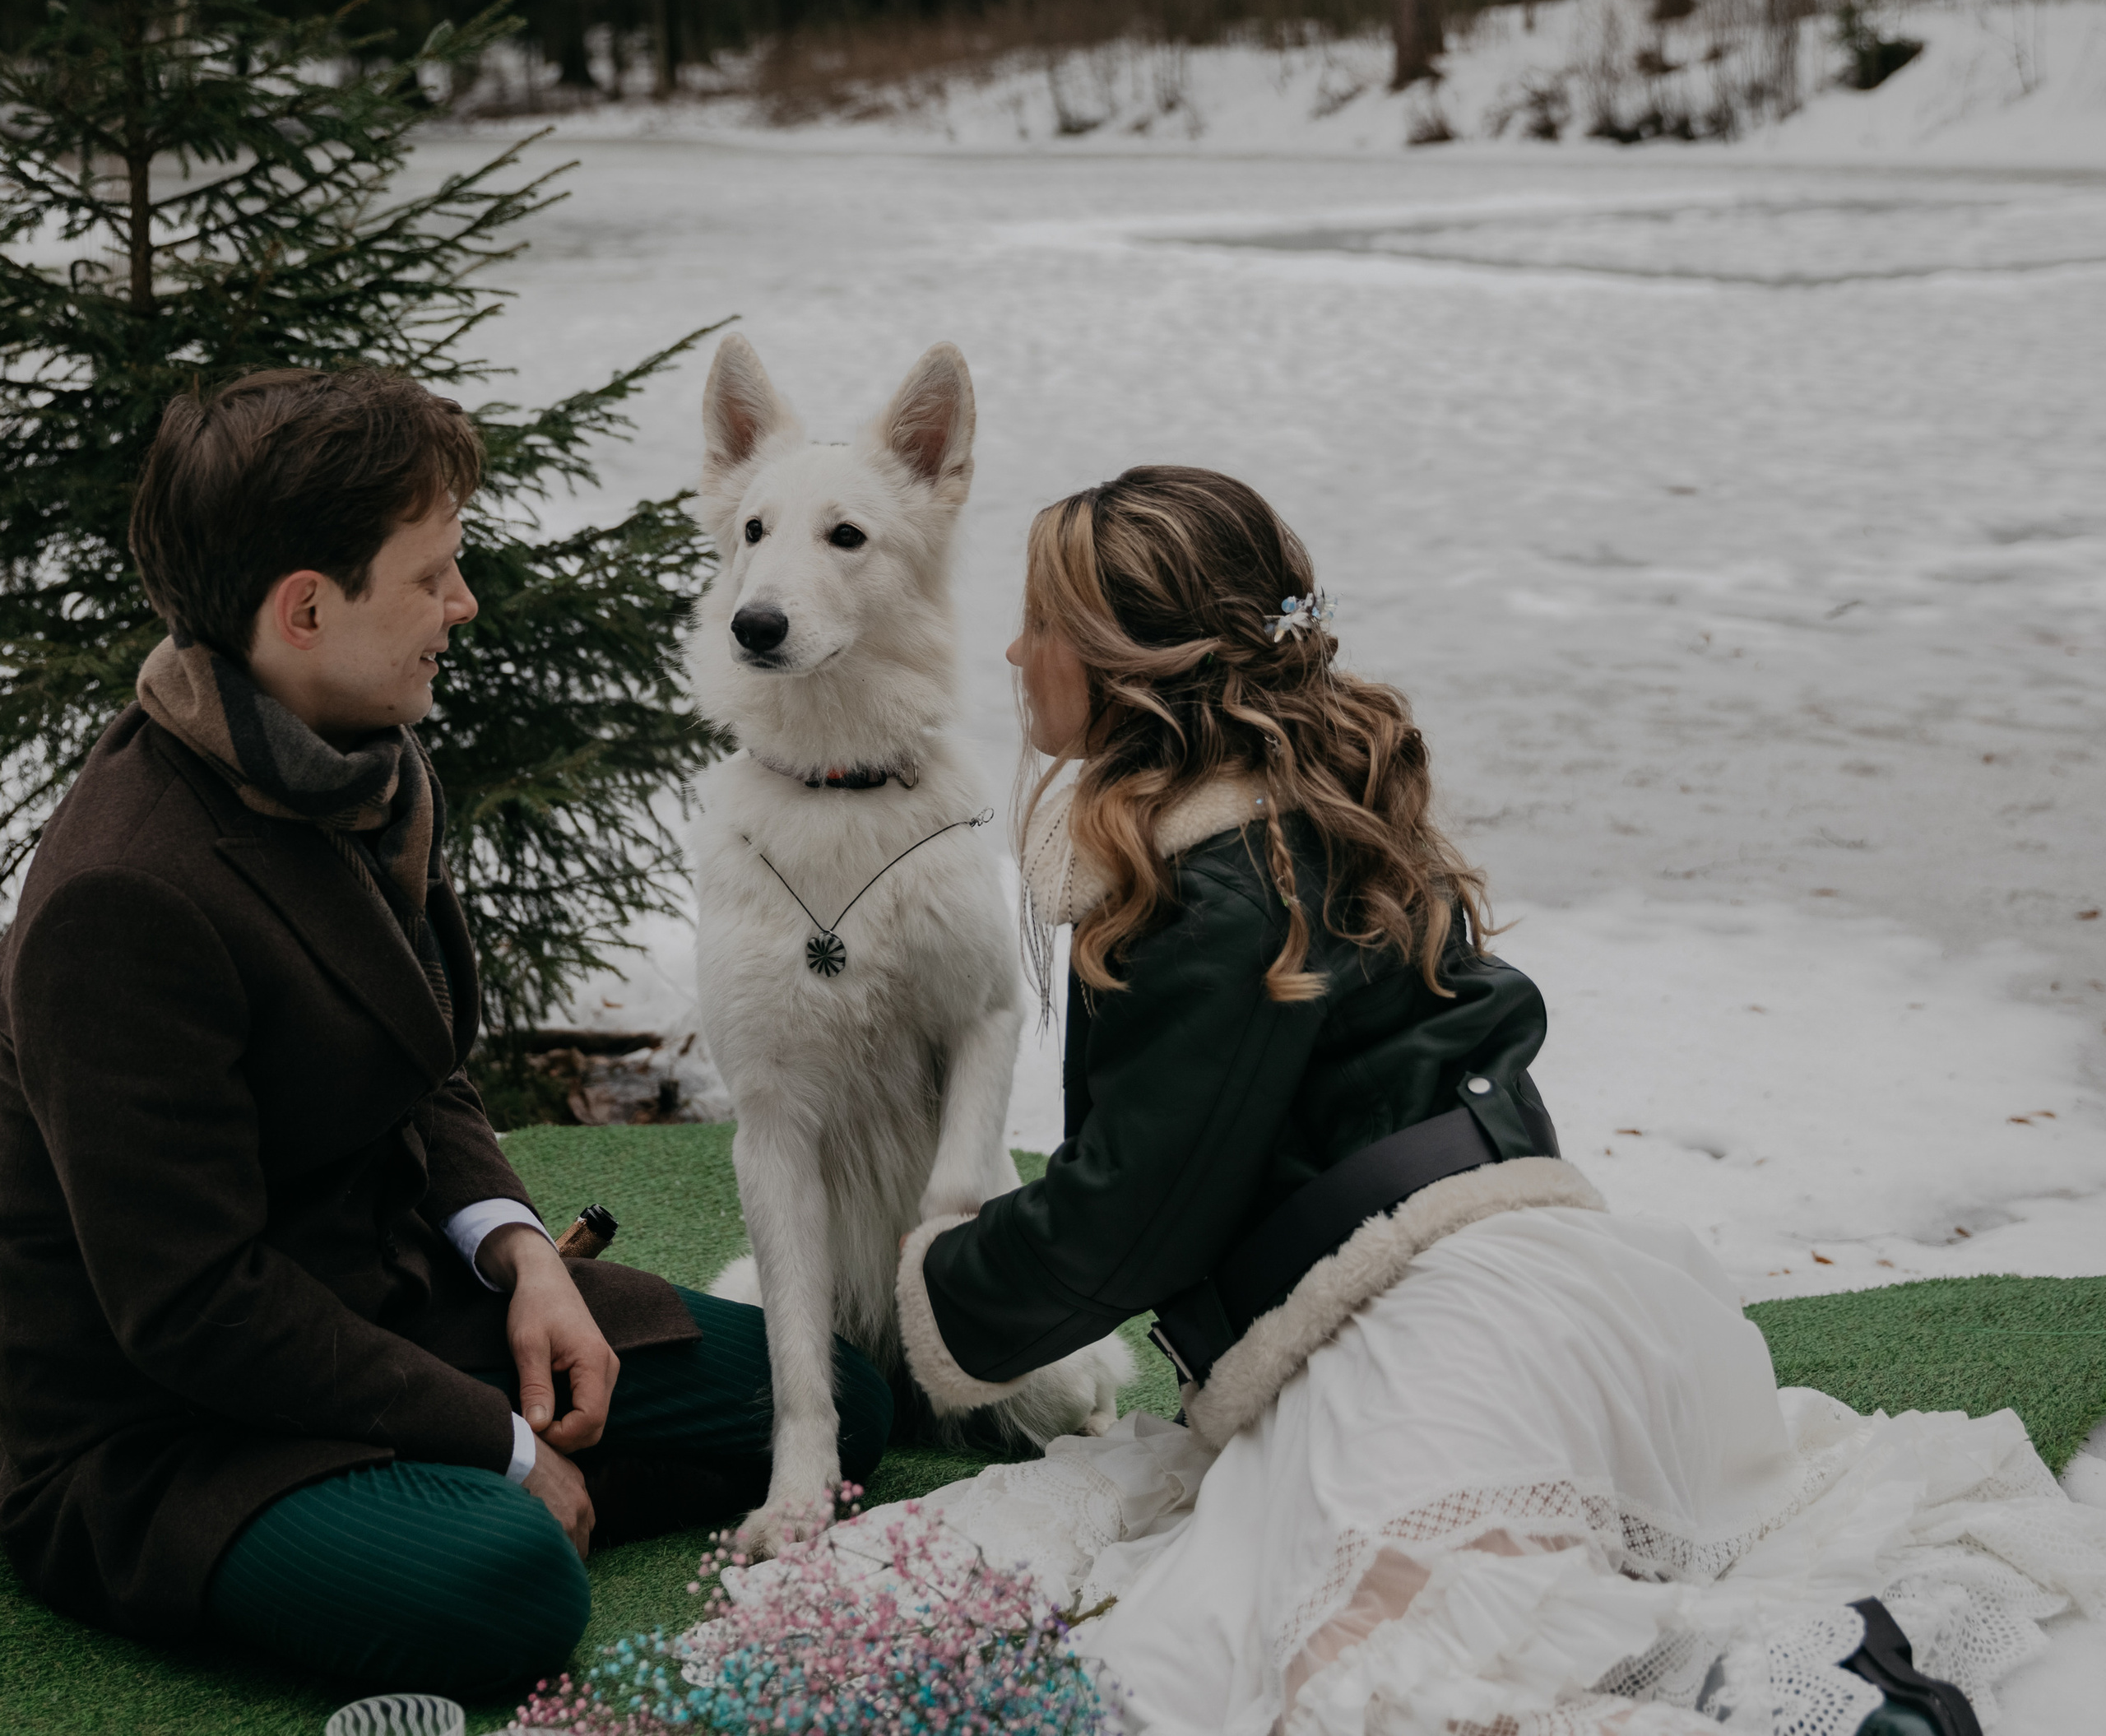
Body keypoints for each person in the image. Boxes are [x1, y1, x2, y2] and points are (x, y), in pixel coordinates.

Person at [864, 466, 2105, 1736]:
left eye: (1044, 622)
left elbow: (1138, 1212)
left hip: (1427, 1349)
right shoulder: (1300, 829)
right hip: (1567, 1301)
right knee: (1475, 1647)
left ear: (1133, 661)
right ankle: (1827, 1684)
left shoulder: (1214, 889)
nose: (1015, 651)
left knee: (1376, 1691)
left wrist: (937, 1289)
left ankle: (1837, 1706)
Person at [0, 369, 891, 1700]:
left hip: (398, 1305)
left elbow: (422, 1065)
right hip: (170, 1422)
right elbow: (188, 1308)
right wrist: (499, 1443)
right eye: (434, 576)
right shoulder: (126, 895)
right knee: (506, 1591)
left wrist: (524, 1256)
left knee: (836, 1406)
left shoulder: (349, 752)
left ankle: (456, 1482)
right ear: (307, 608)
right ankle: (452, 1503)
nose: (463, 606)